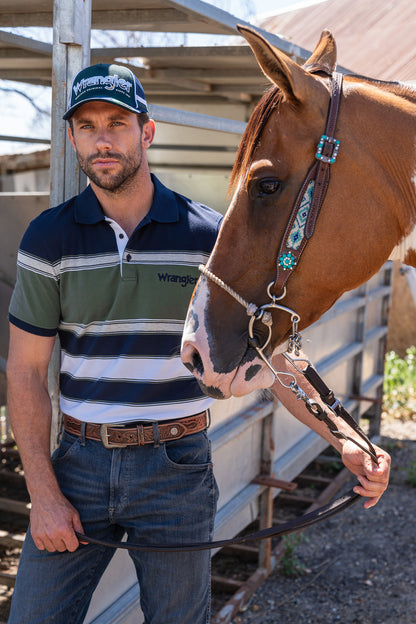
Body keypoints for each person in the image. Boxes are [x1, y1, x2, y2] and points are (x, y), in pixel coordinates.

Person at [6, 63, 390, 624]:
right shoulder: (48, 238)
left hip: (176, 470)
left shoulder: (210, 238)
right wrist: (43, 492)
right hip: (79, 465)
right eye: (87, 126)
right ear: (71, 138)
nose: (103, 139)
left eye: (118, 122)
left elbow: (274, 353)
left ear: (148, 131)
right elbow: (23, 371)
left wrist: (345, 438)